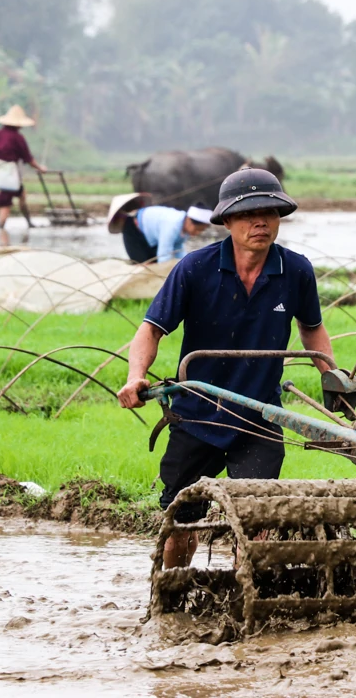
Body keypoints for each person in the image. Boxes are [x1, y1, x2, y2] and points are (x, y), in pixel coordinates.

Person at [117, 168, 334, 567]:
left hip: (258, 418)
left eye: (270, 212)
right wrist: (135, 377)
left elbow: (312, 329)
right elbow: (150, 330)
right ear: (227, 221)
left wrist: (332, 377)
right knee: (181, 523)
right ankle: (173, 594)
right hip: (197, 414)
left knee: (255, 522)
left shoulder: (296, 271)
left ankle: (243, 599)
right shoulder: (195, 269)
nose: (261, 222)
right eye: (249, 214)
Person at [0, 105, 46, 230]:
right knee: (5, 200)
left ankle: (28, 222)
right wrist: (40, 168)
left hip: (0, 171)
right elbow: (28, 158)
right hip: (10, 174)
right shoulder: (18, 138)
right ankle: (1, 228)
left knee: (21, 194)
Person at [119, 203, 212, 264]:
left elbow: (177, 250)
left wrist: (186, 265)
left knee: (154, 262)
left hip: (151, 236)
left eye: (201, 231)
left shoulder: (184, 229)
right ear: (189, 220)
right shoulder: (172, 225)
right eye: (196, 229)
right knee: (143, 265)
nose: (197, 233)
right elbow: (164, 255)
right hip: (134, 229)